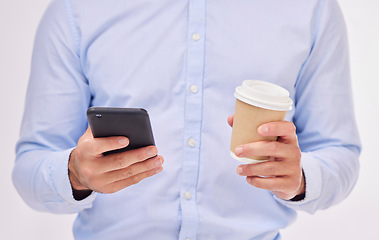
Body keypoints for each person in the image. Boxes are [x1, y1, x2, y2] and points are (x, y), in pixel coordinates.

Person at [12, 0, 361, 239]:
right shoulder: (77, 9)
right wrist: (74, 172)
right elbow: (31, 164)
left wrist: (299, 179)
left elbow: (339, 151)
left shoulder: (310, 8)